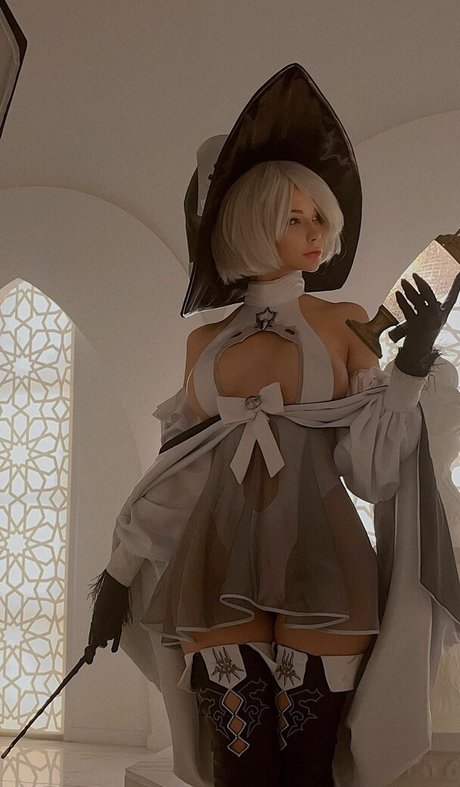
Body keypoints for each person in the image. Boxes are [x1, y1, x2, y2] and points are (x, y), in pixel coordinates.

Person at [86, 65, 460, 787]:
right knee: (242, 771)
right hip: (214, 566)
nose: (318, 232)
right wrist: (118, 575)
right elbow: (181, 473)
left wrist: (410, 368)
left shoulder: (346, 321)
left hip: (327, 562)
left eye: (321, 217)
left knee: (309, 770)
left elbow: (372, 471)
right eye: (296, 217)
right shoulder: (205, 343)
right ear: (252, 222)